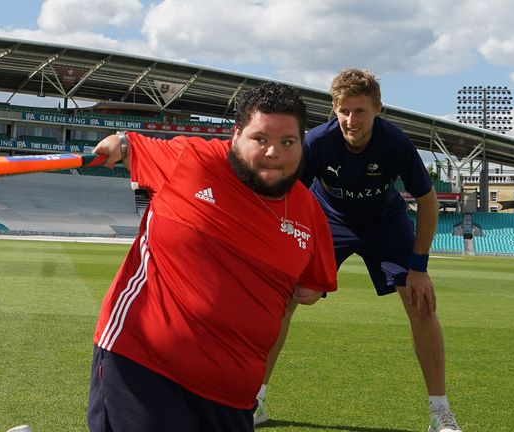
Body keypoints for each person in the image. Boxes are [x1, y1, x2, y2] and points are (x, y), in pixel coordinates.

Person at [86, 82, 338, 432]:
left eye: (287, 142)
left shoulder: (310, 213)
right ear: (236, 135)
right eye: (260, 139)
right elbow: (128, 145)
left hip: (233, 395)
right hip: (143, 365)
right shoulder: (192, 159)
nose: (273, 153)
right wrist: (119, 142)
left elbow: (309, 291)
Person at [254, 69, 462, 432]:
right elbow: (288, 196)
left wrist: (419, 266)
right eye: (345, 111)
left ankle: (440, 413)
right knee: (282, 299)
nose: (352, 120)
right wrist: (286, 251)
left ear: (378, 109)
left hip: (385, 221)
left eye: (361, 111)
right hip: (327, 221)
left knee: (421, 302)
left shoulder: (395, 143)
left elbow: (428, 201)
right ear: (334, 109)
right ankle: (254, 400)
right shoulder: (316, 142)